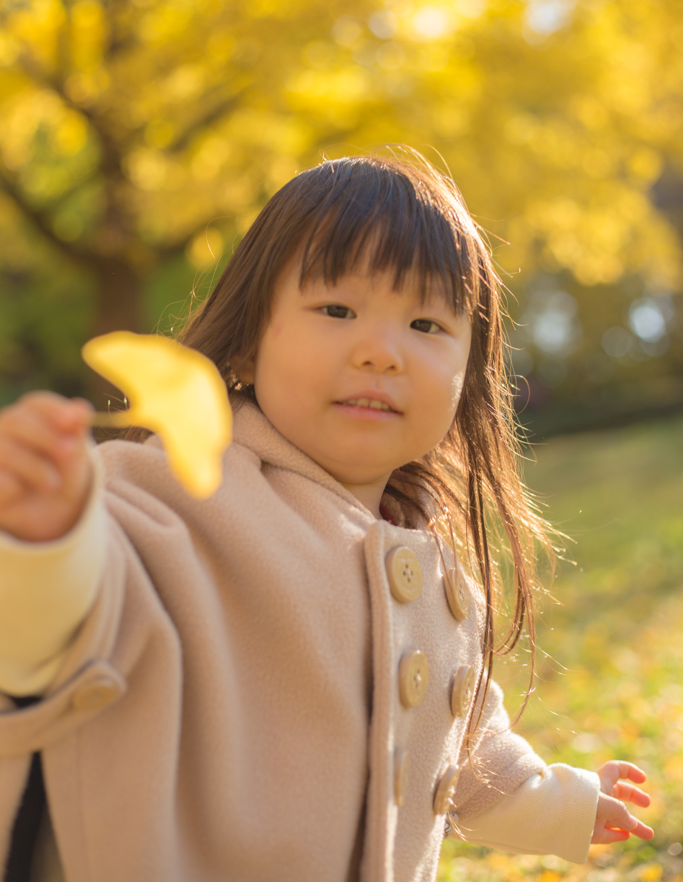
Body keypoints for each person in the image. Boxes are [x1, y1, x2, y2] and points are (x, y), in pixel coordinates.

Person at [0, 153, 653, 882]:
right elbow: (51, 636)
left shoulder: (426, 559)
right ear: (249, 338)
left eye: (425, 324)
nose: (380, 351)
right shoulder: (168, 494)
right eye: (336, 310)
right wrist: (43, 541)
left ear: (468, 372)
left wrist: (556, 801)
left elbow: (459, 744)